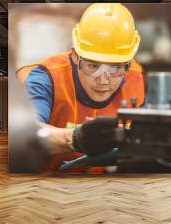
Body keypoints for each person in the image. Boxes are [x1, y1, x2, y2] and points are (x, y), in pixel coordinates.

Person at [16, 3, 145, 173]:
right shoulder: (47, 78)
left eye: (116, 67)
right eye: (93, 66)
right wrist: (75, 138)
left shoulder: (135, 77)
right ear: (76, 55)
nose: (104, 80)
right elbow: (27, 135)